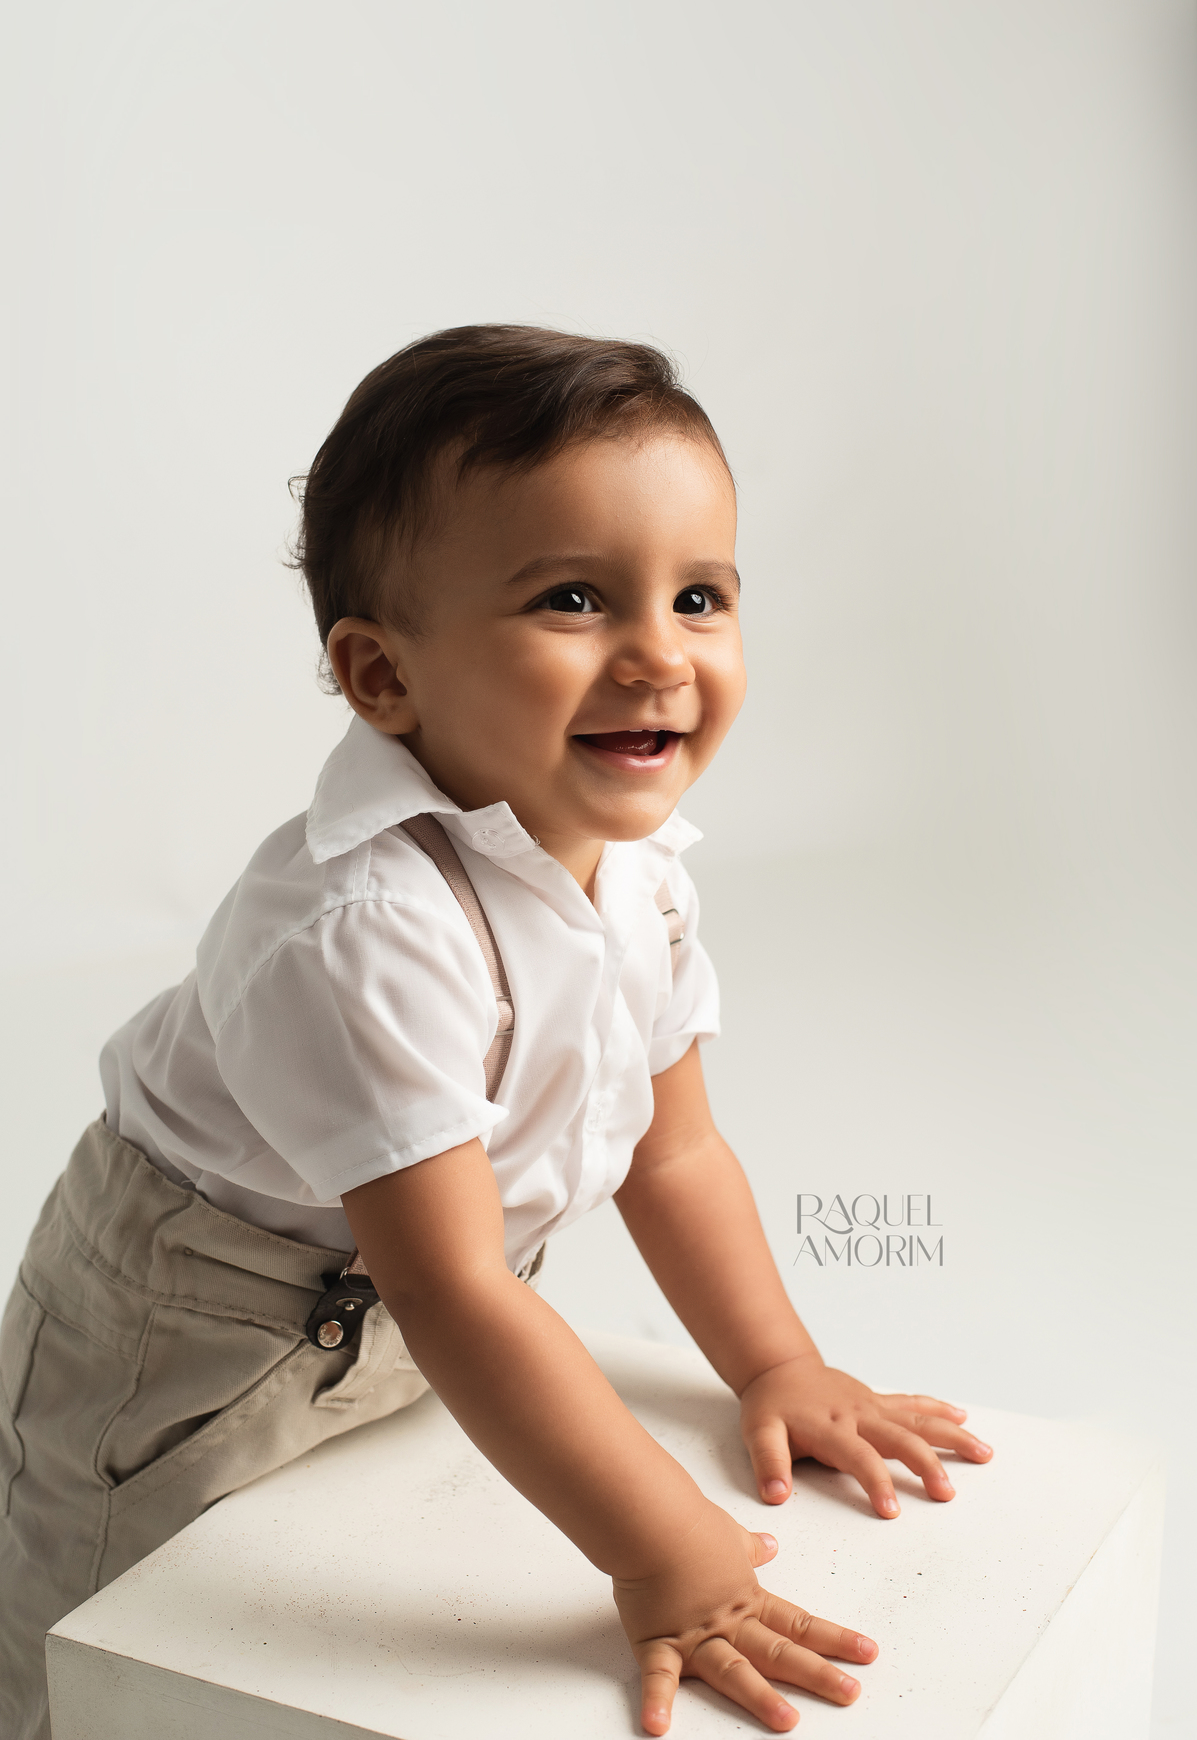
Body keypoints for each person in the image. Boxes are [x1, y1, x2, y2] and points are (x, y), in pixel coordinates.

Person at [0, 326, 992, 1739]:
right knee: (91, 1637)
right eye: (574, 598)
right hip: (189, 1335)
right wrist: (668, 1551)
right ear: (383, 677)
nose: (660, 652)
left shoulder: (641, 876)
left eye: (699, 595)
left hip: (408, 1297)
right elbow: (457, 1288)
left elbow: (675, 1154)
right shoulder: (361, 927)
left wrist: (777, 1363)